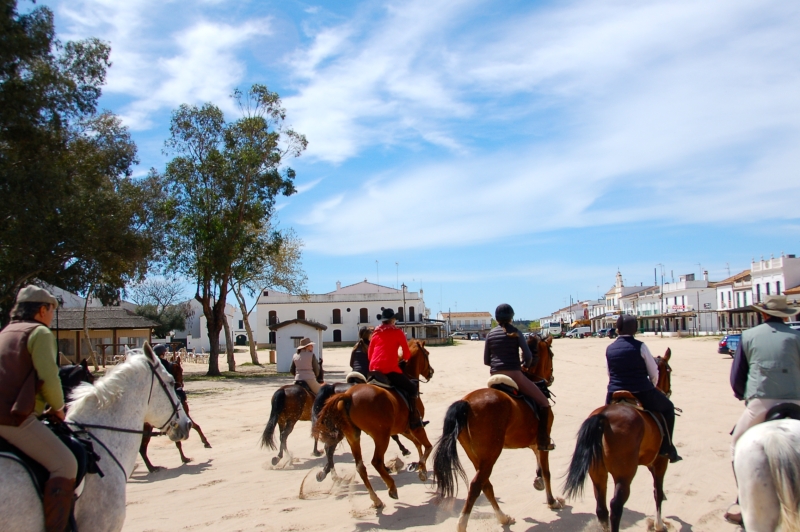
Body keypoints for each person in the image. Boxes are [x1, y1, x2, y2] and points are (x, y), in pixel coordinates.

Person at [0, 286, 77, 532]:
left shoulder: (5, 332)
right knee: (66, 464)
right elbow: (50, 377)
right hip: (15, 419)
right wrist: (58, 407)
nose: (51, 316)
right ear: (42, 310)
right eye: (52, 311)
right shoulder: (39, 333)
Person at [724, 294, 800, 525]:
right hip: (797, 400)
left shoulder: (748, 336)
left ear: (763, 314)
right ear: (785, 316)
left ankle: (741, 501)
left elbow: (737, 377)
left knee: (737, 446)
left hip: (760, 403)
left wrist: (742, 394)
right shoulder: (797, 336)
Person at [605, 314, 681, 463]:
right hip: (641, 390)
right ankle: (666, 447)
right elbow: (654, 372)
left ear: (618, 329)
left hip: (614, 391)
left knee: (603, 417)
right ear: (634, 329)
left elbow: (609, 372)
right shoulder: (640, 346)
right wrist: (651, 387)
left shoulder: (609, 348)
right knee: (668, 408)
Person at [484, 303, 554, 450]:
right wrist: (525, 365)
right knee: (544, 403)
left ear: (496, 318)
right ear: (511, 318)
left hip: (494, 375)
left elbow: (486, 361)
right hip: (514, 375)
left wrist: (497, 365)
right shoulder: (516, 332)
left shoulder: (490, 335)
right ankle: (543, 440)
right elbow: (528, 356)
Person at [368, 308, 423, 429]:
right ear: (392, 320)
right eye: (394, 319)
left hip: (373, 370)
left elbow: (370, 354)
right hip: (389, 369)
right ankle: (414, 419)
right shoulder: (398, 332)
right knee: (412, 389)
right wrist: (405, 359)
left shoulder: (375, 334)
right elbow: (407, 353)